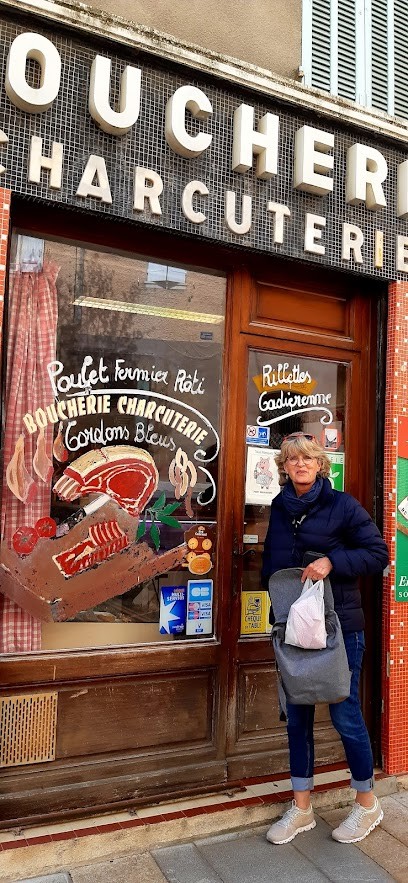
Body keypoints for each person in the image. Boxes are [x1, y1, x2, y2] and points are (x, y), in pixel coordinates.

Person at [261, 432, 389, 846]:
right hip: (292, 627)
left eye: (308, 459)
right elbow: (272, 559)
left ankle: (367, 802)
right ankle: (301, 809)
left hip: (340, 628)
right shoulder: (280, 506)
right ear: (284, 467)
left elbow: (378, 553)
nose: (300, 465)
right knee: (296, 716)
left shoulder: (343, 505)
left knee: (344, 713)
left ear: (320, 465)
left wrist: (331, 561)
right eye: (293, 459)